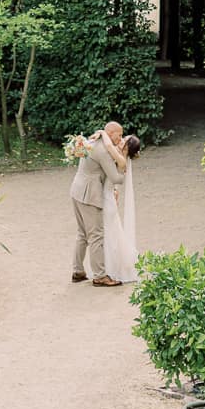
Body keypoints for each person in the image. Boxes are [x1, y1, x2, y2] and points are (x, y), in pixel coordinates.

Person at [69, 119, 124, 286]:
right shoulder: (103, 151)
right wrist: (125, 174)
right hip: (90, 195)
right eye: (119, 135)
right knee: (96, 236)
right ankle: (100, 276)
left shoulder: (92, 141)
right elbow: (115, 177)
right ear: (111, 133)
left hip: (76, 190)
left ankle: (78, 271)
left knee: (82, 234)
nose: (120, 138)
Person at [100, 130, 141, 285]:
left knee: (110, 237)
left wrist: (103, 133)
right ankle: (108, 269)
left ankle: (110, 271)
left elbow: (109, 147)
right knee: (112, 236)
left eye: (124, 139)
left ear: (126, 148)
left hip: (106, 201)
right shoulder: (120, 159)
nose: (121, 139)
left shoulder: (120, 159)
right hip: (108, 198)